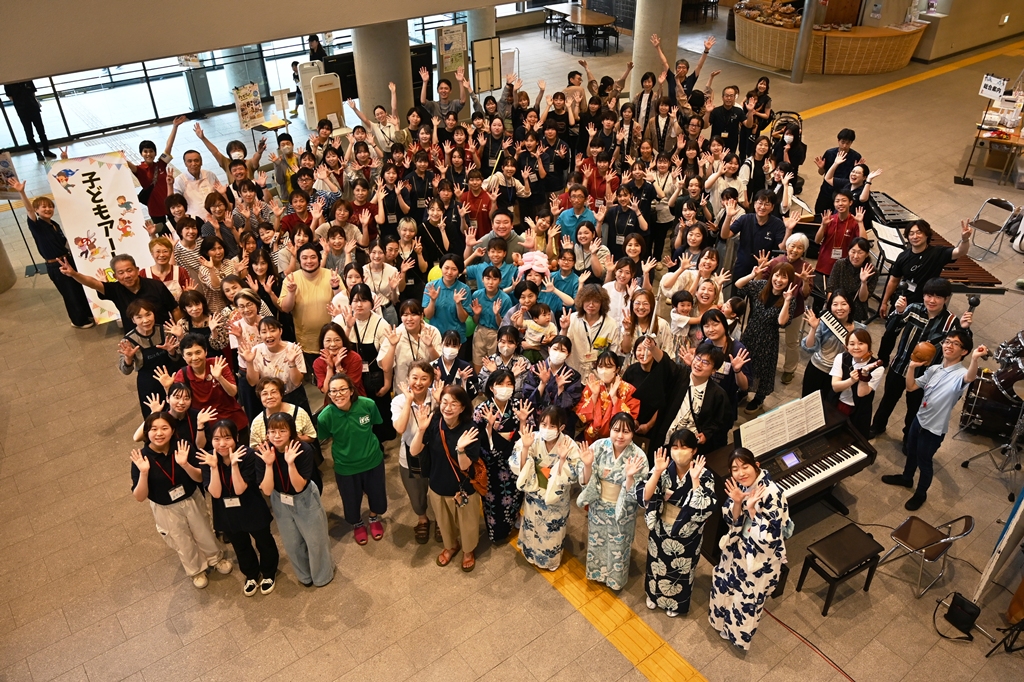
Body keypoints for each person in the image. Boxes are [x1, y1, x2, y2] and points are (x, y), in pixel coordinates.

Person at [882, 332, 985, 510]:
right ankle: (906, 478)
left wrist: (975, 359)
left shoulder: (961, 374)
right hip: (919, 419)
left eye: (955, 344)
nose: (948, 345)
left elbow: (970, 378)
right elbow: (911, 387)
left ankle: (921, 493)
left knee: (924, 461)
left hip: (934, 429)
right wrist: (912, 367)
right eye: (947, 341)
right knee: (911, 451)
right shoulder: (934, 369)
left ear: (964, 351)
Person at [130, 413, 230, 589]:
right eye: (154, 429)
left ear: (172, 430)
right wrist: (144, 473)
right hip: (165, 507)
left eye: (164, 428)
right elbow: (139, 497)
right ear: (147, 432)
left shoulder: (182, 446)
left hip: (191, 498)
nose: (159, 433)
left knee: (204, 530)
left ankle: (215, 558)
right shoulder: (142, 457)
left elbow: (200, 478)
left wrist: (185, 464)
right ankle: (196, 570)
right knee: (181, 539)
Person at [870, 277, 972, 441]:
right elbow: (891, 330)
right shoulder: (913, 309)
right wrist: (898, 313)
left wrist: (965, 330)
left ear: (946, 299)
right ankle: (877, 426)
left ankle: (908, 438)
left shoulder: (951, 322)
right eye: (929, 295)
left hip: (924, 376)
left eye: (938, 297)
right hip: (900, 365)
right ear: (923, 295)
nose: (932, 300)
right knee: (887, 400)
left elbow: (962, 348)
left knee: (914, 409)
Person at [709, 448, 792, 649]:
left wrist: (753, 512)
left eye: (745, 467)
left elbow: (772, 536)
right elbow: (730, 518)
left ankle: (737, 636)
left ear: (756, 465)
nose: (741, 473)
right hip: (736, 546)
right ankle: (721, 623)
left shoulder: (773, 493)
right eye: (735, 469)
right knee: (725, 584)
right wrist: (738, 502)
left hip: (759, 555)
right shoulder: (740, 485)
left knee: (745, 598)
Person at [635, 431, 716, 617]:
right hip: (661, 528)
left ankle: (676, 604)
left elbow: (704, 508)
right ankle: (653, 595)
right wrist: (657, 472)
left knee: (681, 570)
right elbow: (645, 496)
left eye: (684, 447)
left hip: (688, 532)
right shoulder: (664, 468)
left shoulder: (704, 474)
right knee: (656, 563)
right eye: (675, 447)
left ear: (694, 450)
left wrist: (695, 480)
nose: (679, 451)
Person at [197, 419, 278, 596]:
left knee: (264, 541)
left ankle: (268, 572)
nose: (222, 444)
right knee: (240, 545)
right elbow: (215, 493)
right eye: (217, 439)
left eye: (227, 438)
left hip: (251, 507)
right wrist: (214, 467)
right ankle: (251, 574)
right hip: (226, 511)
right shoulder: (209, 458)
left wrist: (234, 465)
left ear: (236, 438)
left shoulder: (248, 455)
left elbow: (240, 489)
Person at [409, 385, 483, 572]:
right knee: (444, 522)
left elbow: (465, 466)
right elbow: (414, 451)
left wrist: (461, 449)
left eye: (454, 404)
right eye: (444, 402)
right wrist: (421, 430)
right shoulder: (435, 422)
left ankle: (468, 551)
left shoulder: (470, 429)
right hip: (438, 485)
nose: (448, 408)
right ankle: (451, 546)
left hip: (464, 488)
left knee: (468, 524)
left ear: (463, 407)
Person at [254, 413, 333, 587]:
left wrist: (290, 463)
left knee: (316, 540)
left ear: (291, 432)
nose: (276, 435)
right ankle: (304, 576)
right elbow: (267, 490)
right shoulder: (263, 452)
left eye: (282, 431)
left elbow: (299, 486)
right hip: (279, 499)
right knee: (292, 543)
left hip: (304, 497)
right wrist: (268, 464)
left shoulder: (303, 449)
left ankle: (322, 576)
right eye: (272, 431)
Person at [576, 413, 649, 590]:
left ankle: (615, 580)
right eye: (616, 430)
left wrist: (630, 477)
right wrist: (587, 465)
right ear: (610, 429)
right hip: (598, 506)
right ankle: (596, 573)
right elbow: (585, 480)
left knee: (618, 547)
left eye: (626, 431)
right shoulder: (599, 446)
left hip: (622, 510)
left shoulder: (638, 455)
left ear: (633, 433)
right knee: (597, 542)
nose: (620, 436)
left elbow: (638, 492)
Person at [10, 179, 95, 328]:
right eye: (43, 207)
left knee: (78, 289)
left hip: (68, 260)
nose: (48, 209)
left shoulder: (54, 224)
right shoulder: (37, 225)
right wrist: (21, 192)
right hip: (56, 265)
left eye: (50, 206)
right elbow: (29, 210)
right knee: (70, 294)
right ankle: (78, 321)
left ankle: (87, 313)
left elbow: (64, 243)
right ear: (37, 210)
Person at [318, 373, 388, 545]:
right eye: (333, 391)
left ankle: (373, 517)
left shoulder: (368, 404)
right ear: (329, 394)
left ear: (351, 391)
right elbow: (325, 436)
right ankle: (357, 523)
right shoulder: (324, 416)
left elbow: (375, 424)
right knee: (350, 498)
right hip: (345, 466)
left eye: (342, 389)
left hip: (372, 460)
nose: (338, 394)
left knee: (377, 493)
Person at [510, 406, 583, 570]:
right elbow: (518, 465)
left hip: (555, 497)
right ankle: (530, 553)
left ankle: (550, 560)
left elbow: (574, 473)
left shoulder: (569, 444)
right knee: (531, 524)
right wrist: (526, 447)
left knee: (552, 531)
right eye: (543, 424)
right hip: (534, 493)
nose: (546, 429)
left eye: (552, 426)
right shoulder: (533, 438)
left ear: (561, 427)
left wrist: (562, 460)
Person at [473, 370, 532, 544]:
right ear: (491, 387)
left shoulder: (519, 405)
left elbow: (528, 435)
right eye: (500, 384)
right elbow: (476, 439)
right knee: (493, 501)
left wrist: (523, 420)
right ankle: (496, 533)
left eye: (509, 384)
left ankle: (514, 518)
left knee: (515, 495)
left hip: (514, 461)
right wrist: (489, 428)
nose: (505, 388)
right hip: (492, 464)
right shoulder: (481, 410)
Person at [735, 261, 800, 414]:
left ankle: (759, 398)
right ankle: (743, 390)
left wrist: (787, 301)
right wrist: (752, 275)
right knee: (745, 364)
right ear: (772, 275)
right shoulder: (761, 286)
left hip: (768, 339)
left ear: (789, 281)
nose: (779, 280)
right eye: (777, 275)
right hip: (750, 333)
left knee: (764, 370)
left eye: (784, 277)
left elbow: (782, 322)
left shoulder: (789, 299)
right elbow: (738, 285)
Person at [157, 333, 249, 437]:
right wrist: (167, 388)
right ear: (183, 357)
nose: (194, 358)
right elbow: (178, 405)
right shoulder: (182, 374)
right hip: (205, 427)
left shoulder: (217, 363)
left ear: (205, 352)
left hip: (232, 420)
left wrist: (219, 377)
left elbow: (233, 392)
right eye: (189, 354)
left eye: (198, 352)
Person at [59, 254, 178, 333]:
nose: (127, 275)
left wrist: (179, 330)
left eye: (129, 270)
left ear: (137, 270)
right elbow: (93, 283)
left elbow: (175, 309)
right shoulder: (115, 289)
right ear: (115, 276)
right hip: (136, 338)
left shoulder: (156, 286)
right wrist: (74, 274)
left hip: (164, 334)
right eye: (121, 273)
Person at [878, 220, 972, 317]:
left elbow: (960, 252)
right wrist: (884, 302)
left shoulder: (937, 253)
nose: (915, 237)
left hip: (925, 303)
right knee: (893, 323)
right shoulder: (903, 256)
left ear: (927, 234)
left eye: (919, 232)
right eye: (911, 234)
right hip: (903, 300)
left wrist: (965, 240)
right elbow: (893, 280)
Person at [392, 360, 441, 544]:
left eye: (424, 378)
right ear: (407, 378)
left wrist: (438, 401)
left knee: (439, 490)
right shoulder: (399, 401)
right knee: (417, 493)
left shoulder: (437, 396)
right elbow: (400, 428)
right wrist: (409, 401)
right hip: (411, 454)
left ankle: (441, 520)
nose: (418, 383)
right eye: (414, 377)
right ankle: (422, 519)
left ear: (431, 380)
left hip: (436, 453)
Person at [654, 342, 733, 455]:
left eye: (705, 362)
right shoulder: (680, 376)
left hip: (692, 446)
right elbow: (665, 363)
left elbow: (722, 422)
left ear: (714, 370)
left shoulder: (718, 394)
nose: (699, 364)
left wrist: (706, 434)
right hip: (666, 439)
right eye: (698, 358)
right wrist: (652, 348)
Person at [118, 299, 182, 416]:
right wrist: (128, 359)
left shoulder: (164, 330)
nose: (146, 320)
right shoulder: (128, 341)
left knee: (177, 412)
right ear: (133, 320)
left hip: (171, 377)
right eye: (139, 317)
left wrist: (172, 352)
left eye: (148, 314)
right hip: (149, 384)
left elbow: (178, 360)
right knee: (153, 416)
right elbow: (125, 371)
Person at [279, 244, 341, 363]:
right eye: (304, 258)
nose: (309, 261)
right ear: (299, 260)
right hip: (305, 342)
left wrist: (336, 287)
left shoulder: (332, 275)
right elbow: (285, 308)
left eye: (313, 257)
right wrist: (291, 292)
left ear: (319, 259)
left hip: (332, 342)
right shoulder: (291, 279)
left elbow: (343, 305)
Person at [719, 190, 795, 282]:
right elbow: (725, 235)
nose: (762, 207)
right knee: (737, 290)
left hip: (764, 268)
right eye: (760, 203)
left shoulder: (777, 224)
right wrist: (728, 216)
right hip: (742, 266)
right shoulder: (745, 219)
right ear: (754, 204)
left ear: (772, 207)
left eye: (767, 204)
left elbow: (782, 248)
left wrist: (789, 230)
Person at [801, 292, 864, 400]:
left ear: (850, 307)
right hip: (817, 369)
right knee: (808, 403)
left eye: (843, 304)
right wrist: (813, 328)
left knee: (829, 405)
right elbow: (809, 347)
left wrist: (852, 350)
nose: (839, 308)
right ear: (830, 307)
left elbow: (861, 357)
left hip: (838, 375)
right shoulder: (823, 323)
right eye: (835, 304)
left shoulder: (860, 329)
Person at [522, 335, 584, 437]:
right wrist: (542, 383)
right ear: (549, 349)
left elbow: (572, 403)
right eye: (555, 349)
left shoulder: (573, 375)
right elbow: (528, 398)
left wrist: (560, 388)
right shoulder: (536, 369)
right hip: (537, 420)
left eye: (563, 350)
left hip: (560, 423)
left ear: (568, 354)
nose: (558, 353)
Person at [829, 329, 884, 440]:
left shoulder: (877, 368)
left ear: (868, 345)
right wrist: (851, 380)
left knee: (851, 439)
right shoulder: (841, 357)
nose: (856, 347)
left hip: (858, 410)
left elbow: (861, 393)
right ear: (846, 346)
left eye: (861, 343)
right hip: (837, 403)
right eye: (852, 344)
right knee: (830, 435)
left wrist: (864, 375)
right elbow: (835, 387)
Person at [561, 283, 622, 382]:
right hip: (573, 374)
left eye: (596, 301)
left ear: (602, 303)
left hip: (599, 377)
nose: (591, 305)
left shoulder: (611, 324)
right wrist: (564, 329)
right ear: (581, 301)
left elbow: (613, 352)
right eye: (587, 300)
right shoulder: (571, 318)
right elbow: (561, 347)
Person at [576, 351, 640, 444]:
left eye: (609, 366)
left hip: (618, 439)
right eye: (600, 366)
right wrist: (594, 395)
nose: (604, 370)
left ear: (617, 369)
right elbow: (583, 417)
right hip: (592, 439)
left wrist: (614, 398)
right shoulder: (592, 386)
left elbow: (630, 420)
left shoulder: (629, 390)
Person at [827, 237, 877, 323]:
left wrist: (863, 282)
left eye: (860, 252)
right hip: (836, 304)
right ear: (848, 251)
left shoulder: (872, 271)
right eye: (853, 252)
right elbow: (830, 289)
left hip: (855, 308)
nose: (855, 256)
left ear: (867, 254)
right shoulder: (840, 264)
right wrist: (832, 308)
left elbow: (863, 299)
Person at [812, 128, 861, 216]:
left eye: (848, 143)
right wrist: (821, 168)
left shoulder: (855, 157)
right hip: (827, 190)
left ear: (851, 143)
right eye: (842, 142)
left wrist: (856, 170)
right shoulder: (829, 153)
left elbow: (855, 180)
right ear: (838, 141)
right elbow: (821, 173)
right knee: (820, 213)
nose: (844, 146)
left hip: (843, 191)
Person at [4, 81, 55, 160]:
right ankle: (37, 153)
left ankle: (46, 150)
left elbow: (33, 93)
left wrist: (35, 102)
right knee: (29, 133)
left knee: (41, 131)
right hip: (22, 111)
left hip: (33, 107)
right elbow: (11, 97)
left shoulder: (27, 79)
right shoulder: (8, 83)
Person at [173, 150, 219, 218]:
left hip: (214, 216)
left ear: (201, 162)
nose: (193, 164)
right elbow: (174, 202)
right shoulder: (179, 180)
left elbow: (218, 196)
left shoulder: (210, 175)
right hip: (192, 219)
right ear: (185, 163)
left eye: (196, 160)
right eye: (189, 161)